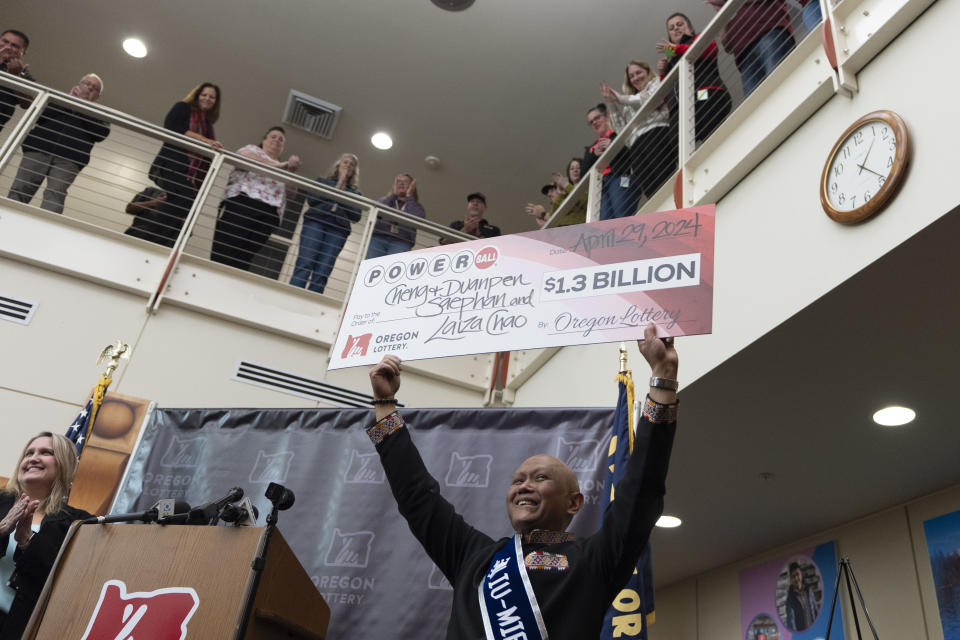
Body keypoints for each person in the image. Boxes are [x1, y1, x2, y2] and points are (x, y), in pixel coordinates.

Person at [365, 322, 678, 639]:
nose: (523, 487)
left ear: (574, 502)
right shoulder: (473, 556)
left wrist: (663, 377)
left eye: (540, 478)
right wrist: (384, 405)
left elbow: (641, 491)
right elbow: (419, 498)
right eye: (517, 481)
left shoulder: (596, 560)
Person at [0, 433, 90, 639]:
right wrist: (2, 530)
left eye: (46, 452)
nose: (33, 458)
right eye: (29, 453)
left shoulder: (78, 523)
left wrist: (27, 542)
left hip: (23, 630)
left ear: (63, 464)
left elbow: (67, 584)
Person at [125, 82, 223, 247]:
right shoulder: (183, 108)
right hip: (172, 163)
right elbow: (174, 128)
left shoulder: (208, 126)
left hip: (189, 173)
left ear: (215, 102)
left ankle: (155, 240)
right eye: (204, 94)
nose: (207, 99)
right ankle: (149, 239)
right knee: (185, 198)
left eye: (212, 97)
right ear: (197, 95)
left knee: (182, 203)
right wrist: (207, 142)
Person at [7, 74, 109, 214]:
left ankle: (46, 230)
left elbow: (102, 133)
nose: (89, 88)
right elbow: (40, 113)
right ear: (78, 85)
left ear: (97, 97)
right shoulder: (55, 99)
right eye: (87, 84)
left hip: (69, 161)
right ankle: (7, 220)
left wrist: (81, 104)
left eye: (95, 88)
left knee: (55, 196)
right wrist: (70, 101)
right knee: (22, 187)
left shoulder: (100, 113)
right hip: (38, 149)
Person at [211, 126, 301, 271]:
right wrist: (282, 165)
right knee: (227, 244)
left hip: (270, 212)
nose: (277, 141)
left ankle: (235, 280)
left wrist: (291, 171)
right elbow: (244, 157)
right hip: (244, 201)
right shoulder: (253, 150)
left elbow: (291, 194)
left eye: (281, 140)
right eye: (273, 137)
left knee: (247, 253)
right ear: (263, 140)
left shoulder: (285, 167)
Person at [601, 61, 677, 204]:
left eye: (639, 73)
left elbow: (647, 100)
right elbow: (620, 129)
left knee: (665, 177)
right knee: (649, 187)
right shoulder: (629, 102)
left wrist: (621, 98)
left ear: (647, 72)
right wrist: (611, 102)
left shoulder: (655, 83)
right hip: (636, 146)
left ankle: (678, 205)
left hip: (656, 135)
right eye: (632, 76)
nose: (636, 78)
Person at [290, 153, 362, 294]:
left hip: (338, 230)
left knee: (323, 270)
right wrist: (337, 186)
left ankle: (311, 304)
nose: (348, 165)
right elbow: (312, 199)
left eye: (351, 164)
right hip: (315, 222)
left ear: (354, 171)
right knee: (305, 262)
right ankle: (293, 295)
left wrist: (342, 194)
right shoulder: (323, 181)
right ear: (338, 166)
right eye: (345, 162)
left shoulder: (356, 194)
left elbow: (356, 215)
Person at [657, 12, 732, 143]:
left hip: (704, 93)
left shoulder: (697, 38)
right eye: (671, 28)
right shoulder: (671, 60)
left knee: (713, 131)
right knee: (677, 140)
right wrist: (663, 73)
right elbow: (666, 96)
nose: (676, 28)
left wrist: (677, 48)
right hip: (682, 109)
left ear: (690, 28)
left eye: (679, 24)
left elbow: (711, 49)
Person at [704, 0, 803, 97]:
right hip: (744, 55)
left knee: (781, 86)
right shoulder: (729, 5)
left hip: (769, 33)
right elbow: (727, 46)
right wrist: (720, 11)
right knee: (756, 103)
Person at [581, 104, 633, 220]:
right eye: (591, 122)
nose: (594, 122)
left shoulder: (618, 134)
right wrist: (594, 155)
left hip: (622, 177)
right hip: (601, 186)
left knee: (621, 212)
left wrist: (612, 145)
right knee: (605, 221)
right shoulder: (591, 149)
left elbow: (632, 151)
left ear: (606, 117)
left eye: (597, 118)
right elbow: (582, 176)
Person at [367, 173, 427, 258]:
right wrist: (394, 195)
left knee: (393, 270)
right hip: (378, 238)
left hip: (402, 242)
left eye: (405, 181)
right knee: (371, 268)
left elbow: (419, 219)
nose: (402, 184)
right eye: (399, 181)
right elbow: (377, 212)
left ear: (411, 186)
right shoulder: (384, 200)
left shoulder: (416, 206)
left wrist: (409, 196)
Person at [0, 29, 34, 130]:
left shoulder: (23, 73)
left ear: (22, 53)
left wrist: (14, 77)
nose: (8, 47)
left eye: (14, 46)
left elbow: (27, 104)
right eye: (5, 41)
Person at [784, 561, 820, 631]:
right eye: (793, 576)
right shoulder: (790, 599)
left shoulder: (809, 591)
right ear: (791, 579)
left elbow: (815, 610)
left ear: (801, 574)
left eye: (797, 574)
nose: (796, 578)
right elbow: (791, 622)